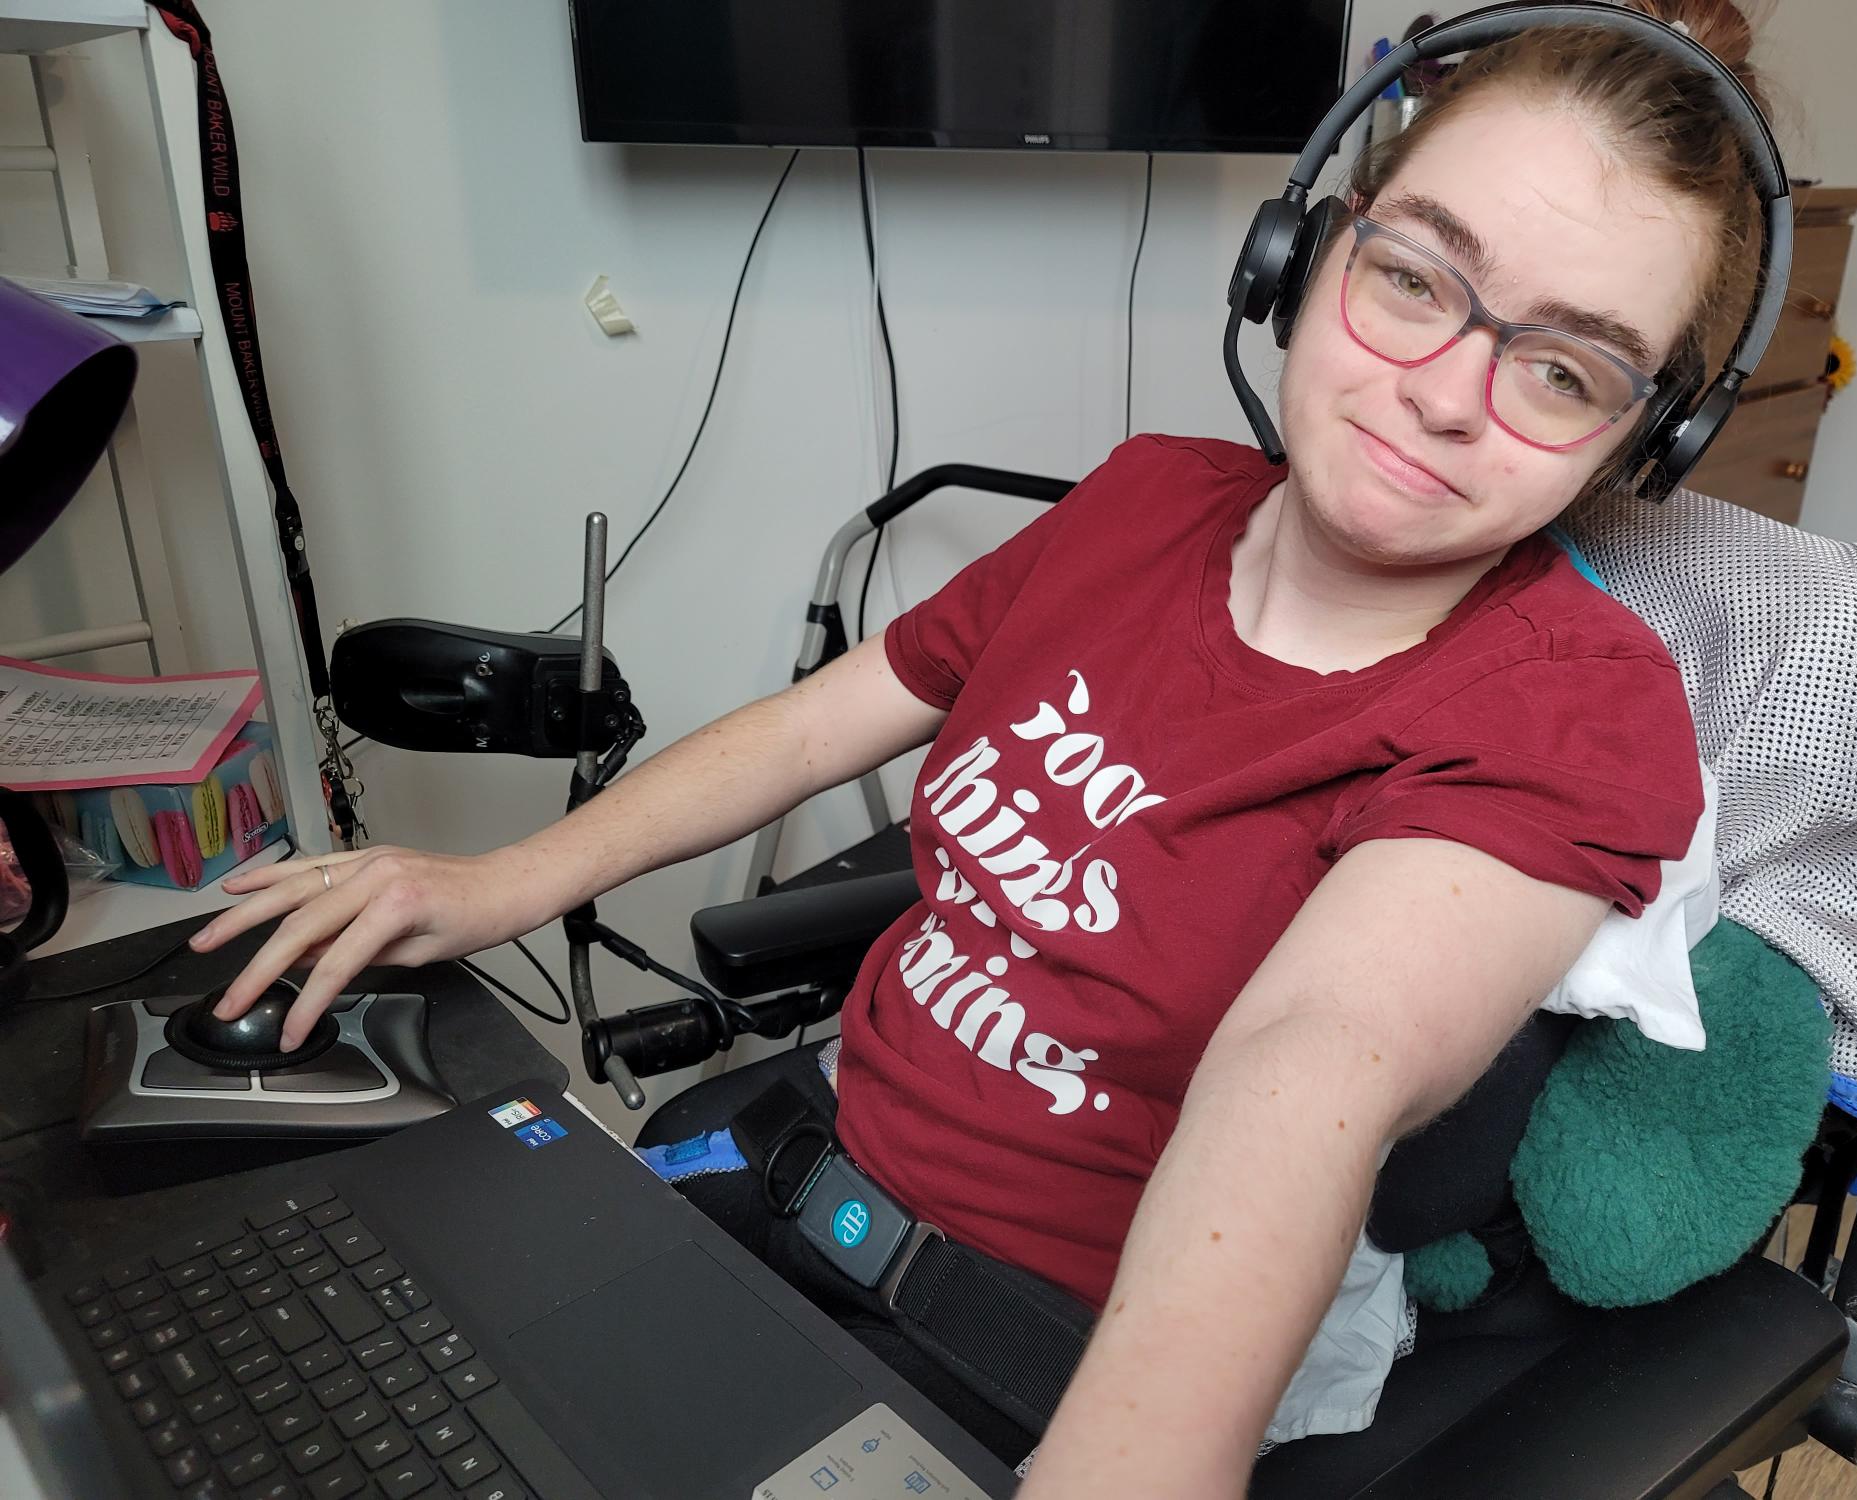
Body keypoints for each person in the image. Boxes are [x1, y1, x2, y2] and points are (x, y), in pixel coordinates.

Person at [190, 1, 1775, 1492]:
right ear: (1304, 249)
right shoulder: (1146, 500)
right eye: (1417, 278)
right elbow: (816, 725)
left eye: (1562, 371)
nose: (1447, 393)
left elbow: (1314, 1064)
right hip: (801, 1178)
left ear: (1646, 441)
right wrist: (488, 888)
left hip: (1049, 1355)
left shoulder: (1570, 701)